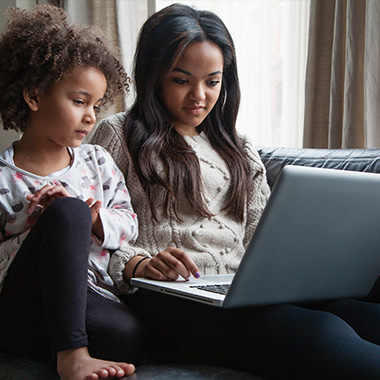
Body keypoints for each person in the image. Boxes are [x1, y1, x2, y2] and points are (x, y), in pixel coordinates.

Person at [90, 3, 380, 379]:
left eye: (212, 81)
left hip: (238, 291)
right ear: (154, 76)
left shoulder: (238, 146)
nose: (199, 96)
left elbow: (263, 235)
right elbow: (93, 230)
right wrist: (138, 264)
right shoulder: (117, 135)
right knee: (321, 334)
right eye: (181, 80)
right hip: (168, 302)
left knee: (365, 315)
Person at [0, 5, 144, 380]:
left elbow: (130, 226)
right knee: (67, 212)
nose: (91, 116)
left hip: (84, 296)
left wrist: (94, 218)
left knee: (124, 333)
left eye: (96, 105)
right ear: (33, 96)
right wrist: (32, 219)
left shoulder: (96, 161)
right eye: (79, 102)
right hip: (21, 305)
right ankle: (72, 354)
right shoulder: (2, 176)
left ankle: (70, 341)